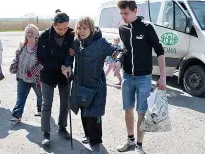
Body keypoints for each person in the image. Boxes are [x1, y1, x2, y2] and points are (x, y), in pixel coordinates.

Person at [114, 1, 166, 154]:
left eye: (126, 13)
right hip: (127, 77)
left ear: (135, 10)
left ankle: (139, 146)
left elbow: (160, 51)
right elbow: (125, 49)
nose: (123, 17)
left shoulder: (146, 27)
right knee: (127, 109)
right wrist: (118, 61)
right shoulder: (122, 28)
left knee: (142, 112)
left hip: (144, 78)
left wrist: (162, 76)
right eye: (121, 13)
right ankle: (130, 140)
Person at [62, 16, 119, 154]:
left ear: (91, 28)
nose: (82, 31)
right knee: (84, 112)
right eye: (79, 28)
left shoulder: (101, 42)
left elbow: (115, 51)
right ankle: (88, 136)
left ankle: (96, 143)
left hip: (96, 86)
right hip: (80, 84)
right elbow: (69, 57)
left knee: (94, 115)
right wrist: (68, 66)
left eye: (85, 28)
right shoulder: (76, 42)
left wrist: (118, 59)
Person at [37, 10, 75, 145]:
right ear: (53, 25)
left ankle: (62, 127)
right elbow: (41, 57)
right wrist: (60, 67)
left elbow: (71, 53)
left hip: (65, 73)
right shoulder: (44, 36)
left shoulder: (71, 34)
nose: (63, 31)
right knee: (46, 104)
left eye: (65, 28)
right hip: (48, 73)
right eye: (60, 29)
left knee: (65, 102)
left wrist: (68, 64)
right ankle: (46, 133)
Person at [10, 24, 43, 122]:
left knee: (40, 95)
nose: (29, 34)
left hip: (36, 78)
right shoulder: (22, 44)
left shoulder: (40, 46)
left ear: (36, 34)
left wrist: (31, 73)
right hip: (21, 76)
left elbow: (42, 63)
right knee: (21, 95)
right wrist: (16, 54)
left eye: (32, 32)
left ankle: (41, 110)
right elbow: (18, 58)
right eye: (28, 32)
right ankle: (16, 115)